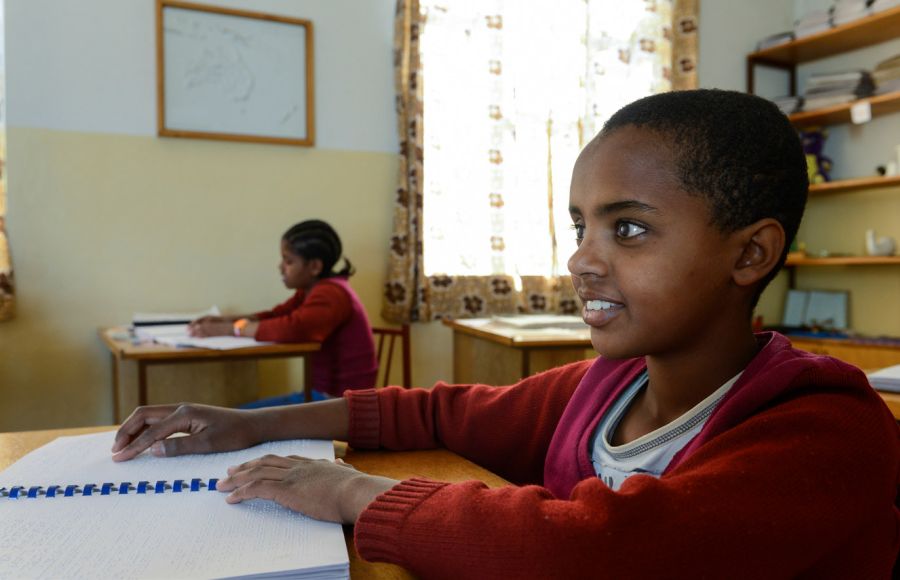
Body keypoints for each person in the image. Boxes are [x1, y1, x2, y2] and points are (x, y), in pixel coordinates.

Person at [111, 90, 899, 578]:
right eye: (579, 224)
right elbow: (438, 413)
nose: (581, 259)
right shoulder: (612, 387)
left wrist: (353, 493)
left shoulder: (824, 428)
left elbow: (596, 554)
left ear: (750, 252)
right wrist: (247, 424)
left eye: (627, 229)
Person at [189, 219, 377, 401]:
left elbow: (294, 328)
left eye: (288, 261)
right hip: (321, 397)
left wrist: (229, 329)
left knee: (235, 421)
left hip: (339, 403)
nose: (280, 267)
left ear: (314, 266)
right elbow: (276, 315)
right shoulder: (312, 290)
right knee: (235, 418)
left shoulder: (331, 293)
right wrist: (224, 321)